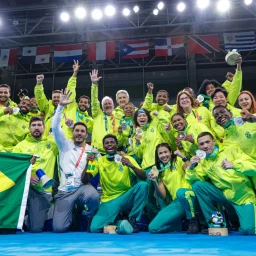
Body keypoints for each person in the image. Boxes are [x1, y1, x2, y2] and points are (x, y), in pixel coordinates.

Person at [186, 132, 256, 235]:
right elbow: (192, 179)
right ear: (198, 147)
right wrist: (191, 167)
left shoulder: (230, 150)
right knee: (198, 186)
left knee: (248, 230)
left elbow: (253, 167)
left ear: (214, 141)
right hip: (224, 197)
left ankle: (236, 220)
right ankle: (217, 225)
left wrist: (235, 165)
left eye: (207, 142)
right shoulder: (203, 162)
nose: (205, 146)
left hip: (243, 197)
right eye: (201, 144)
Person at [51, 89, 100, 233]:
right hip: (64, 191)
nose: (79, 133)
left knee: (93, 196)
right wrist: (60, 106)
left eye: (82, 131)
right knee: (59, 229)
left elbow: (89, 176)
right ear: (72, 132)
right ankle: (72, 213)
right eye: (77, 130)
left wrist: (90, 164)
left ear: (86, 134)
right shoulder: (64, 144)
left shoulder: (93, 151)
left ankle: (90, 216)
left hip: (81, 188)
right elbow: (54, 127)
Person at [87, 134, 148, 233]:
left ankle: (133, 220)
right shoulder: (99, 161)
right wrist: (88, 163)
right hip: (110, 200)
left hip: (126, 196)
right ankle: (119, 223)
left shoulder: (127, 159)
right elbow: (87, 178)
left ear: (117, 145)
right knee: (94, 228)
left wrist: (131, 165)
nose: (109, 145)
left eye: (112, 142)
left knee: (143, 185)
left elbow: (143, 177)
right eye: (107, 143)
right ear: (103, 147)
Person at [12, 116, 58, 232]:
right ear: (29, 128)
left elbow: (66, 143)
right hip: (23, 188)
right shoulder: (20, 147)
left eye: (39, 125)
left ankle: (29, 217)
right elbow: (14, 169)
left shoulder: (52, 144)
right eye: (33, 125)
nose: (36, 128)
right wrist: (28, 176)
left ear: (44, 128)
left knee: (36, 228)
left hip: (42, 191)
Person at [148, 143, 199, 234]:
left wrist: (183, 156)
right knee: (153, 227)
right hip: (177, 201)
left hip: (189, 195)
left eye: (165, 152)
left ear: (171, 152)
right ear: (158, 156)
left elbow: (190, 169)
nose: (163, 155)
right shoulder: (160, 171)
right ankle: (181, 225)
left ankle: (193, 220)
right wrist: (154, 181)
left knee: (181, 192)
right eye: (160, 153)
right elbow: (162, 196)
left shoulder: (178, 160)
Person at [90, 69, 118, 154]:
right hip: (97, 151)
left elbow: (124, 133)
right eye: (105, 104)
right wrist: (94, 84)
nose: (107, 105)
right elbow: (94, 101)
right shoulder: (97, 114)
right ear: (102, 108)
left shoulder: (119, 117)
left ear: (113, 106)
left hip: (114, 151)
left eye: (109, 104)